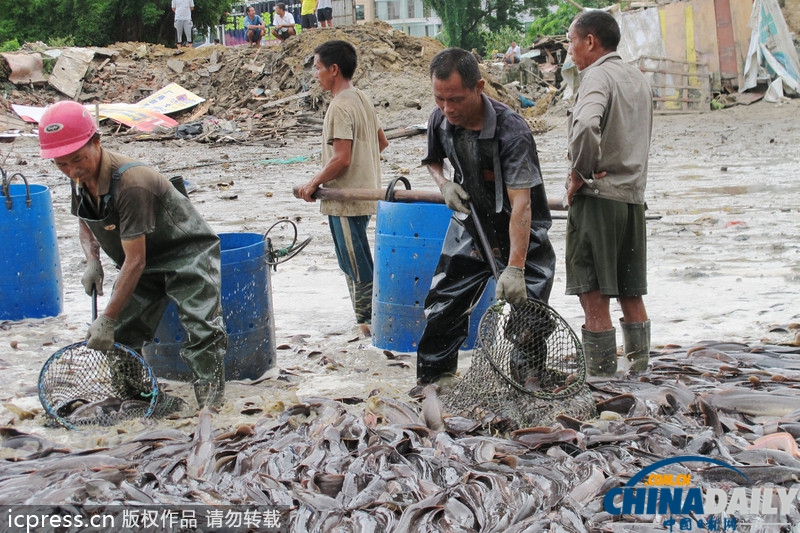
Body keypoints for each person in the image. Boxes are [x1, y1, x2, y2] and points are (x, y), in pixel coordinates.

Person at [37, 100, 227, 409]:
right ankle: (146, 403)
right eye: (61, 164)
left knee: (202, 330)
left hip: (185, 252)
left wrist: (107, 317)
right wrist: (92, 261)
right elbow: (86, 221)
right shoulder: (78, 177)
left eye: (77, 159)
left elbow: (135, 261)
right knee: (121, 335)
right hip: (141, 260)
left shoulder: (131, 183)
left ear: (96, 142)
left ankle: (212, 410)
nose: (71, 170)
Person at [415, 48, 556, 385]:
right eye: (440, 99)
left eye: (456, 99)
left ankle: (528, 382)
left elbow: (522, 205)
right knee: (444, 305)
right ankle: (435, 380)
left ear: (479, 87)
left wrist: (516, 267)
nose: (448, 108)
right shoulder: (440, 119)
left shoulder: (512, 131)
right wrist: (445, 184)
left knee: (529, 313)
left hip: (520, 230)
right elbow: (433, 160)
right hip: (470, 224)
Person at [564, 10, 653, 377]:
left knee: (594, 295)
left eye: (571, 42)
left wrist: (578, 174)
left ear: (590, 41)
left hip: (599, 200)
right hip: (632, 200)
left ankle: (601, 380)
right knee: (632, 292)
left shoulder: (596, 75)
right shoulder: (638, 78)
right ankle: (640, 373)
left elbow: (586, 124)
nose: (569, 51)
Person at [296, 40, 389, 335]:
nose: (315, 74)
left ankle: (371, 327)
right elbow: (381, 143)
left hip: (345, 199)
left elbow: (342, 159)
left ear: (334, 69)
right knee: (355, 261)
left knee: (356, 266)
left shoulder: (340, 106)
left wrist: (313, 183)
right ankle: (368, 323)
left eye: (318, 68)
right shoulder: (360, 97)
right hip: (364, 196)